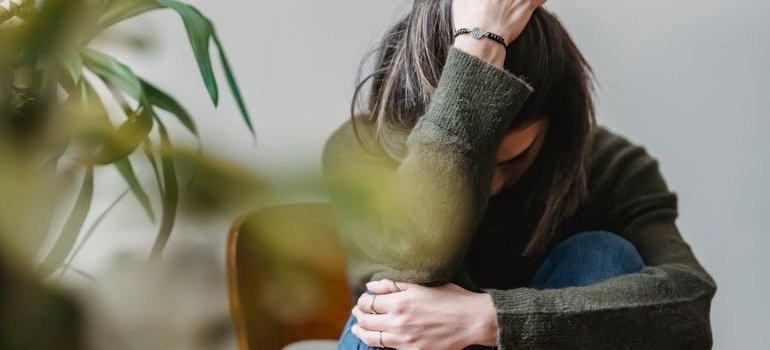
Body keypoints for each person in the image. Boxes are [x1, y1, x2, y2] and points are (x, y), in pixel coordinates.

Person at [321, 0, 717, 349]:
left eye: (513, 160)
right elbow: (413, 263)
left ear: (555, 125)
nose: (491, 185)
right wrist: (479, 48)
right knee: (392, 304)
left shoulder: (609, 166)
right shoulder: (361, 149)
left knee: (602, 254)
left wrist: (488, 319)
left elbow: (688, 306)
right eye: (482, 163)